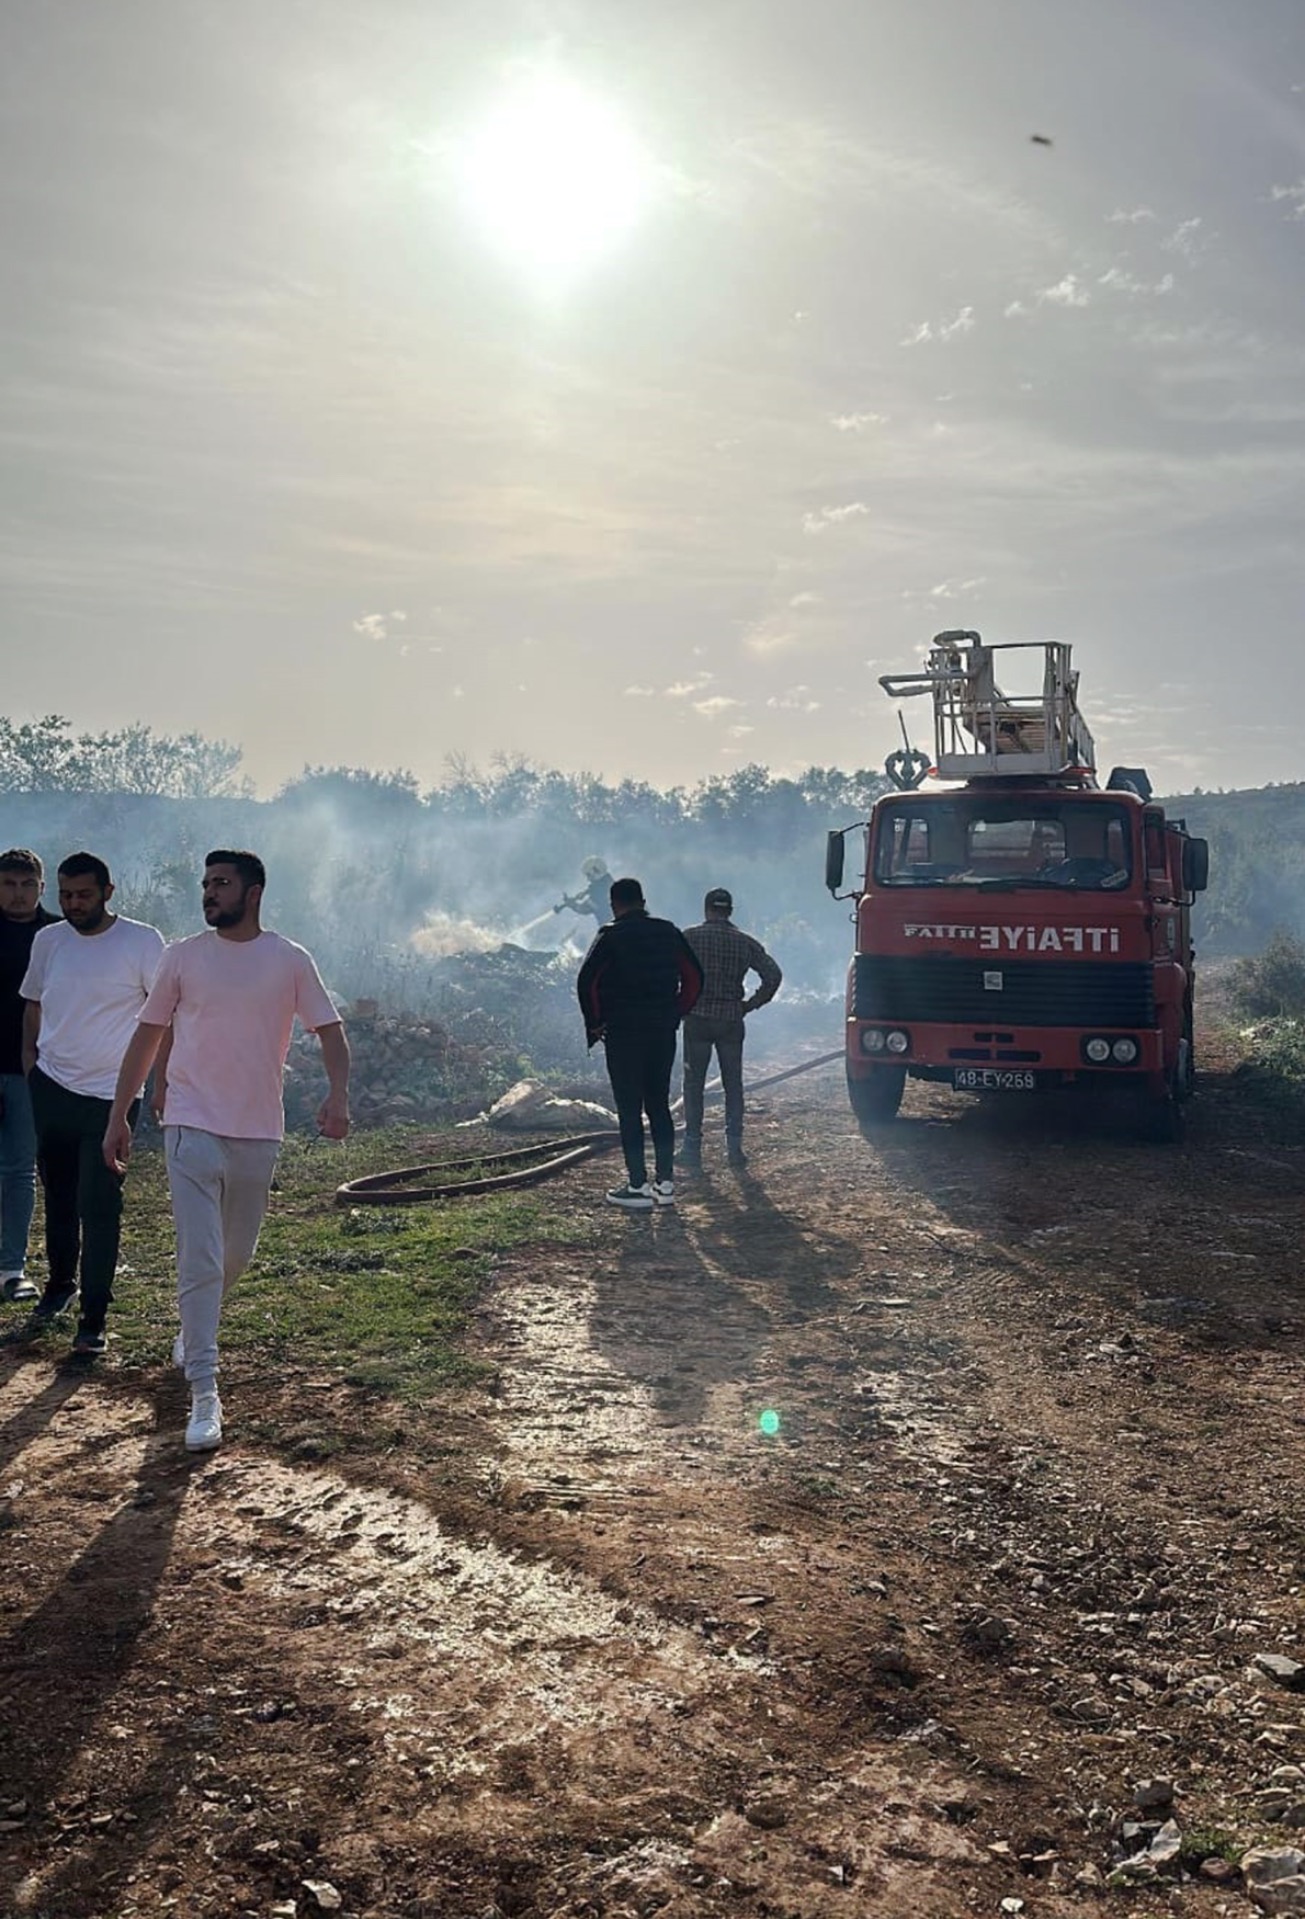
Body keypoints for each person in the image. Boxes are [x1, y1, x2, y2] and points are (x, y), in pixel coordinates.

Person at [104, 850, 350, 1453]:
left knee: (234, 1255)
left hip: (259, 1130)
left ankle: (194, 1328)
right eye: (206, 884)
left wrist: (338, 1095)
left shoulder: (291, 960)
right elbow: (148, 1033)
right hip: (189, 1123)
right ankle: (206, 1394)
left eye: (221, 884)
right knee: (201, 1257)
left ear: (254, 892)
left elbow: (330, 1031)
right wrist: (121, 1114)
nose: (210, 893)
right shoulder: (181, 957)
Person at [20, 853, 165, 1352]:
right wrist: (29, 1065)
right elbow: (33, 1002)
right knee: (58, 1196)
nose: (73, 904)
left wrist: (156, 1084)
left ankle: (94, 1319)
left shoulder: (143, 942)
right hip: (52, 1087)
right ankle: (60, 1286)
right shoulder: (49, 940)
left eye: (83, 894)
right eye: (65, 895)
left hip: (113, 1096)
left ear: (108, 891)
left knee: (100, 1204)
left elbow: (161, 1018)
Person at [576, 877, 702, 1210]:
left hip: (623, 1033)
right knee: (659, 1105)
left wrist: (595, 1024)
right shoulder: (668, 931)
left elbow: (587, 981)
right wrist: (677, 1011)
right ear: (643, 901)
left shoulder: (610, 936)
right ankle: (666, 1185)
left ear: (614, 904)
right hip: (661, 1031)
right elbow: (693, 977)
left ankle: (637, 1186)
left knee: (629, 1109)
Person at [679, 888, 783, 1171]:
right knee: (733, 1084)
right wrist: (750, 1005)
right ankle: (734, 1148)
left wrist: (680, 1002)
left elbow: (670, 971)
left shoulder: (689, 938)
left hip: (697, 1018)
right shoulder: (744, 942)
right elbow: (773, 975)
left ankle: (691, 1146)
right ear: (730, 911)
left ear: (706, 909)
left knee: (693, 1084)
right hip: (730, 1021)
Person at [0, 850, 59, 1302]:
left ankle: (10, 1268)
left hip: (34, 1070)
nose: (17, 894)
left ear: (41, 887)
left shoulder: (60, 935)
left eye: (26, 885)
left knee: (20, 1170)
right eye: (8, 884)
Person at [555, 856, 615, 924]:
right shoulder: (610, 883)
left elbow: (584, 909)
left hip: (611, 928)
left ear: (596, 871)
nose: (588, 879)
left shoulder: (598, 891)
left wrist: (572, 904)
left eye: (589, 875)